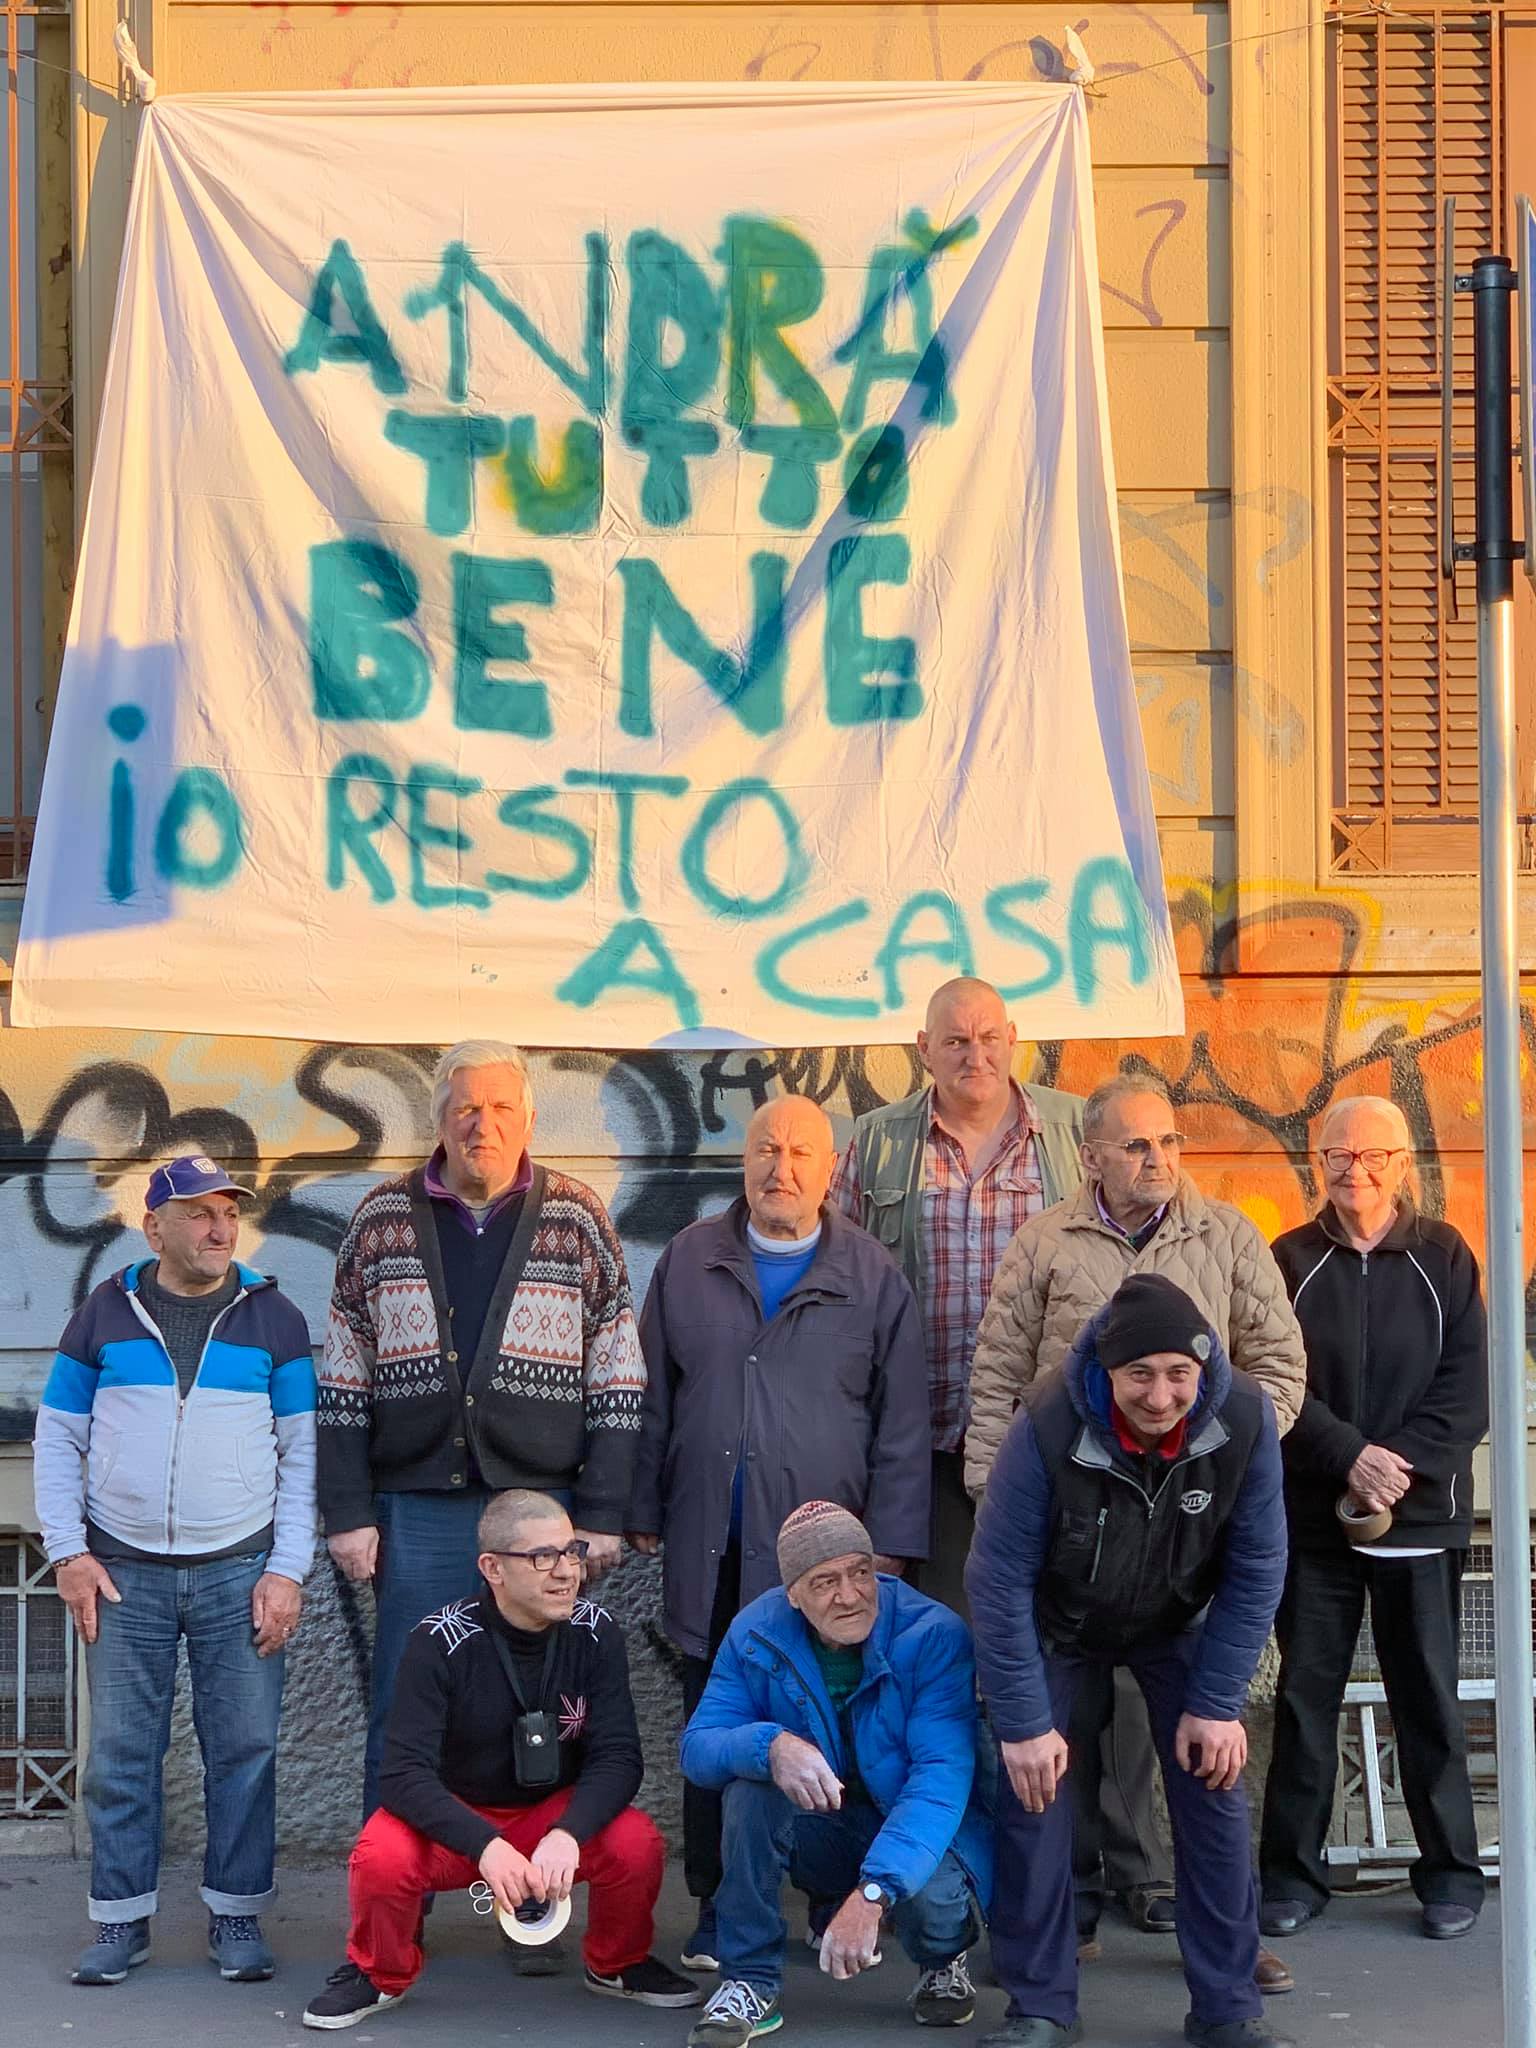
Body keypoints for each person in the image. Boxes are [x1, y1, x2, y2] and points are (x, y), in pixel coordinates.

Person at [965, 1073, 1306, 1972]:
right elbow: (999, 1375)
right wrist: (997, 1494)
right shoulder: (1044, 1241)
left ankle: (1203, 1924)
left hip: (1183, 1528)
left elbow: (1279, 1363)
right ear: (1093, 1156)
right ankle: (1065, 1916)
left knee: (1193, 1743)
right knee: (1058, 1733)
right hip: (1072, 1528)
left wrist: (1226, 1459)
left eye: (1170, 1141)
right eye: (1138, 1144)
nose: (1160, 1159)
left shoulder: (1226, 1235)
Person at [627, 1094, 930, 1972]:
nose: (781, 1167)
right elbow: (650, 1397)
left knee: (835, 1726)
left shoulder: (871, 1275)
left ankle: (831, 1898)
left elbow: (903, 1424)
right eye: (766, 1148)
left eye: (801, 1152)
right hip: (711, 1549)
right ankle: (717, 1905)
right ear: (744, 1159)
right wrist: (641, 1508)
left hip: (826, 1566)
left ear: (831, 1169)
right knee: (716, 1726)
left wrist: (890, 1544)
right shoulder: (690, 1260)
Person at [319, 1039, 646, 1813]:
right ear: (439, 1119)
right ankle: (395, 1886)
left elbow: (618, 1374)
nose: (482, 1124)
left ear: (527, 1119)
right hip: (419, 1512)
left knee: (543, 1704)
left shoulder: (575, 1215)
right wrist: (349, 1513)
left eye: (501, 1107)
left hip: (543, 1510)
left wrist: (601, 1513)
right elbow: (341, 1377)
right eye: (466, 1107)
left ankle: (532, 1871)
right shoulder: (381, 1218)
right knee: (406, 1703)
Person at [966, 1275, 1289, 2048]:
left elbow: (1258, 1566)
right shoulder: (1047, 1422)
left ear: (1203, 1369)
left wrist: (1218, 1703)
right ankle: (1041, 2005)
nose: (1160, 1395)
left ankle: (1227, 2007)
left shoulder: (1246, 1418)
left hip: (1177, 1622)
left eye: (1179, 1373)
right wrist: (1023, 1724)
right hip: (1058, 1623)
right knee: (1034, 1794)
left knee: (1214, 1785)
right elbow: (997, 1577)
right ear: (1107, 1371)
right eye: (1139, 1374)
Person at [32, 1155, 316, 1988]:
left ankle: (236, 1914)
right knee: (122, 1754)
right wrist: (68, 1553)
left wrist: (287, 1570)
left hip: (240, 1570)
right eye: (199, 1213)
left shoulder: (275, 1319)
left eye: (228, 1212)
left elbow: (303, 1456)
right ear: (154, 1227)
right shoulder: (102, 1313)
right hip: (123, 1572)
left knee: (245, 1750)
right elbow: (58, 1437)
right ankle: (121, 1921)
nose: (219, 1229)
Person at [302, 1489, 700, 2030]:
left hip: (551, 1818)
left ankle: (617, 1963)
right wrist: (486, 1845)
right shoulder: (437, 1641)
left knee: (635, 1842)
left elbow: (618, 1757)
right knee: (381, 1856)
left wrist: (568, 1833)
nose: (566, 1572)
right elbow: (402, 1775)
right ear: (493, 1568)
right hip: (460, 1821)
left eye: (572, 1551)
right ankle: (380, 1974)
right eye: (543, 1557)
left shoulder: (595, 1631)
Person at [1260, 1095, 1489, 1942]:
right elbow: (1274, 1382)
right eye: (1337, 1156)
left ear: (1402, 1165)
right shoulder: (1288, 1259)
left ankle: (1451, 1875)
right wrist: (1348, 1456)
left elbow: (1468, 1388)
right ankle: (1292, 1878)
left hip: (1420, 1519)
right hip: (1314, 1521)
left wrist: (1397, 1466)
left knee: (1426, 1698)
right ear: (1318, 1163)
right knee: (1304, 1699)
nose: (1353, 1171)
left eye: (1371, 1156)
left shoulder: (1445, 1256)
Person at [680, 1501, 991, 2047]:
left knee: (934, 1903)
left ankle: (943, 1957)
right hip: (824, 1826)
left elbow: (939, 1780)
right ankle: (748, 1980)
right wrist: (770, 1746)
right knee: (748, 1793)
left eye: (860, 1572)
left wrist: (872, 1893)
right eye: (825, 1582)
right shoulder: (755, 1631)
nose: (849, 1595)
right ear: (792, 1595)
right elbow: (698, 1748)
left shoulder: (933, 1633)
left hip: (914, 1824)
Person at [829, 976, 1085, 1616]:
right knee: (948, 1624)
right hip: (930, 1440)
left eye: (990, 1038)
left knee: (1056, 1619)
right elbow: (835, 1280)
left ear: (1014, 1039)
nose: (977, 1056)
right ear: (924, 1048)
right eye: (956, 1042)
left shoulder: (1075, 1131)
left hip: (1053, 1434)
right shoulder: (878, 1141)